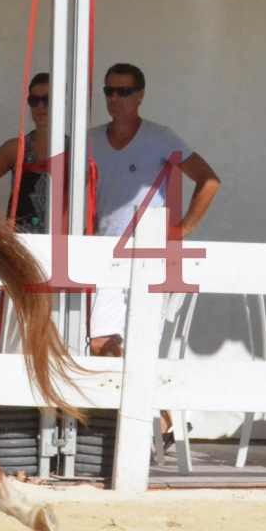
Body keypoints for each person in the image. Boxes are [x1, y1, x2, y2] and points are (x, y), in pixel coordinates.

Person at [87, 63, 221, 369]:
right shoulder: (90, 139)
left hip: (148, 256)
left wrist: (181, 230)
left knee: (116, 345)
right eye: (109, 91)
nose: (115, 98)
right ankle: (159, 417)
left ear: (140, 96)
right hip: (102, 255)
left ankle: (157, 417)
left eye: (124, 91)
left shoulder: (160, 137)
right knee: (109, 346)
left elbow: (209, 181)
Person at [0, 72, 68, 234]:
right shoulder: (15, 148)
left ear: (61, 102)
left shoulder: (75, 150)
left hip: (63, 244)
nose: (40, 107)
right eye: (34, 101)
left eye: (46, 100)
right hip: (21, 243)